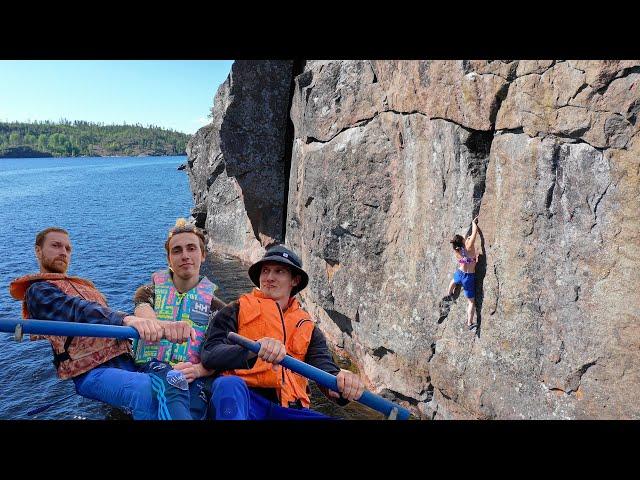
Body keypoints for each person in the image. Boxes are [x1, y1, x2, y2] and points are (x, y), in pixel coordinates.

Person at [9, 226, 196, 420]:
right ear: (38, 251)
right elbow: (75, 309)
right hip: (92, 372)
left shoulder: (82, 286)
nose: (63, 252)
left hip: (127, 362)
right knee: (147, 392)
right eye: (56, 246)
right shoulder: (39, 291)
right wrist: (127, 319)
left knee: (178, 379)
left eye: (67, 248)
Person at [200, 244, 366, 420]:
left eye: (279, 271)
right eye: (265, 271)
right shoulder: (236, 309)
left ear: (294, 280)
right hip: (246, 399)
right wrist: (252, 349)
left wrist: (343, 381)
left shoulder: (308, 327)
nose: (269, 277)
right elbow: (210, 353)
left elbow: (326, 370)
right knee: (227, 385)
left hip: (290, 409)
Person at [131, 218, 226, 420]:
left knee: (195, 409)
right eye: (177, 250)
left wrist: (199, 370)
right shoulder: (149, 292)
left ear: (203, 255)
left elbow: (222, 349)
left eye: (191, 248)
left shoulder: (216, 308)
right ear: (169, 259)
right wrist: (161, 326)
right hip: (152, 367)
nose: (185, 256)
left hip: (193, 375)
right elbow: (143, 311)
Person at [447, 216, 481, 330]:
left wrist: (466, 240)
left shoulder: (457, 250)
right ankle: (469, 323)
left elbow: (463, 254)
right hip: (468, 277)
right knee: (471, 302)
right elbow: (475, 232)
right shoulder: (469, 245)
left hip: (460, 273)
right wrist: (474, 223)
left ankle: (449, 293)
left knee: (453, 281)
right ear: (463, 240)